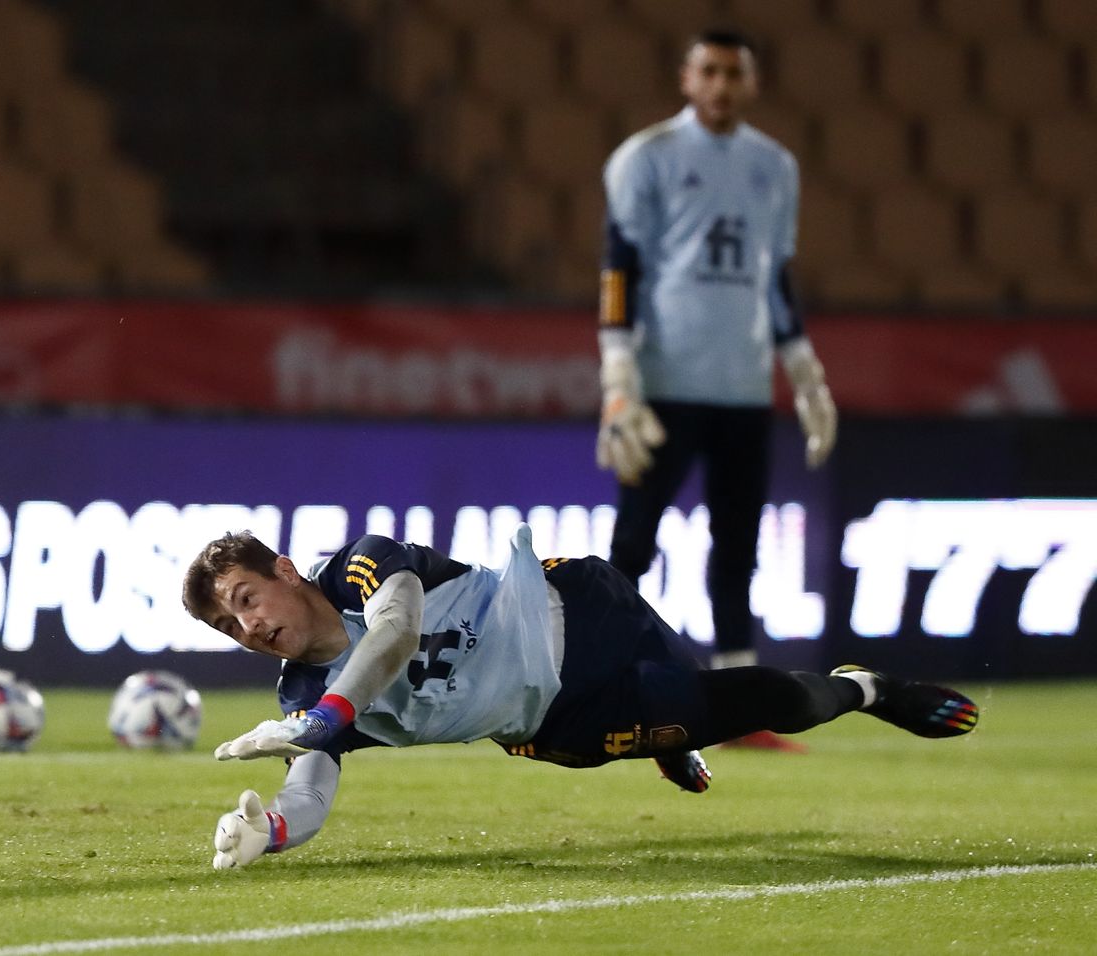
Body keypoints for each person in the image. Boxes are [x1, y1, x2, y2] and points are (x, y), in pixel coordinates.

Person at [183, 528, 977, 870]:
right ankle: (842, 694)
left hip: (577, 607)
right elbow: (308, 784)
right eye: (229, 624)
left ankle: (866, 688)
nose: (247, 627)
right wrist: (276, 829)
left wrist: (325, 720)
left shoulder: (361, 563)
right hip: (563, 721)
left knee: (764, 696)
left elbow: (391, 636)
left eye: (247, 598)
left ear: (286, 571)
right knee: (769, 700)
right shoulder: (301, 692)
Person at [594, 30, 837, 751]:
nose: (722, 85)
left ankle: (740, 706)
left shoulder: (774, 166)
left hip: (741, 386)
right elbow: (619, 267)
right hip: (665, 382)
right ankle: (602, 682)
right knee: (632, 544)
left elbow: (774, 280)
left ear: (752, 83)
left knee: (738, 549)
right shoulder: (649, 157)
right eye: (710, 70)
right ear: (686, 78)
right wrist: (617, 376)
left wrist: (805, 373)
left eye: (735, 73)